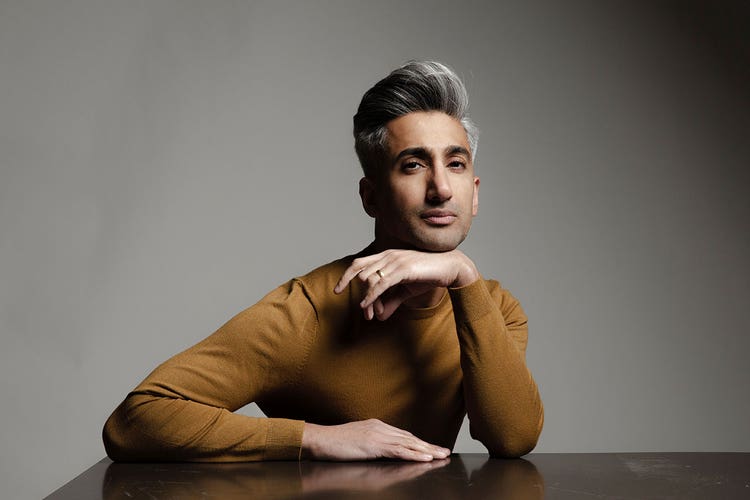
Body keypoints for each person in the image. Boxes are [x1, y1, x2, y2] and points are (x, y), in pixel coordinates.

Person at [103, 60, 544, 463]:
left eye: (456, 163)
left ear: (476, 191)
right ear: (371, 197)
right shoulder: (311, 311)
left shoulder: (491, 307)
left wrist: (464, 276)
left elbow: (513, 438)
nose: (442, 188)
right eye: (413, 165)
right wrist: (316, 438)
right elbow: (135, 419)